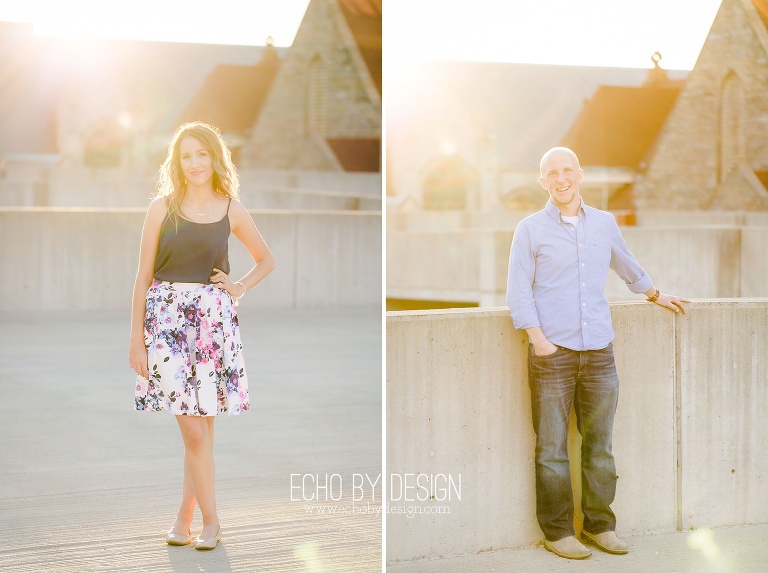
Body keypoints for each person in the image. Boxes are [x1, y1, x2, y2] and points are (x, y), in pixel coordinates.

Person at [506, 147, 689, 560]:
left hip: (599, 353)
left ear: (580, 175)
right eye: (551, 173)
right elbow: (518, 292)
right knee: (551, 450)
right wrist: (539, 340)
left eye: (567, 170)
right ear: (543, 182)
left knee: (600, 446)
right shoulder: (530, 229)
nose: (561, 178)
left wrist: (655, 294)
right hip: (551, 354)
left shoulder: (604, 224)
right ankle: (557, 533)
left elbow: (626, 265)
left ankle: (599, 526)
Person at [129, 122, 276, 550]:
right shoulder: (162, 207)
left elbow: (266, 260)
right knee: (194, 433)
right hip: (166, 326)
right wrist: (135, 340)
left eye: (201, 154)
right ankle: (210, 521)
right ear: (177, 162)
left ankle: (187, 518)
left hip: (212, 325)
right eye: (186, 155)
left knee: (202, 435)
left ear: (215, 158)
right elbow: (141, 277)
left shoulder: (231, 209)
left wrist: (240, 286)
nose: (194, 163)